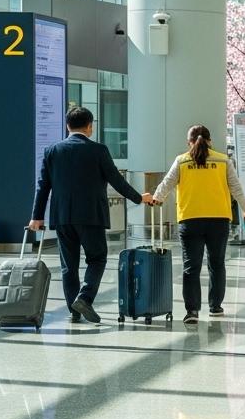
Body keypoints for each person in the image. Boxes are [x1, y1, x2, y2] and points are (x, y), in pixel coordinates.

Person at [29, 107, 153, 324]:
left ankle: (74, 311)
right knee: (97, 258)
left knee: (69, 265)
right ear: (90, 126)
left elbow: (43, 186)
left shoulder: (52, 151)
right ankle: (84, 298)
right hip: (91, 216)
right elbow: (116, 180)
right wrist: (138, 198)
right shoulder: (98, 150)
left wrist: (37, 216)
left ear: (67, 126)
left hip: (63, 217)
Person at [151, 125, 245, 324]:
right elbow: (236, 187)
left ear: (189, 142)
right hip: (218, 220)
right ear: (210, 141)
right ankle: (215, 307)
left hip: (190, 219)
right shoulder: (223, 160)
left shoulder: (182, 161)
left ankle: (192, 311)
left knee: (191, 266)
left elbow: (166, 183)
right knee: (216, 264)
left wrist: (156, 198)